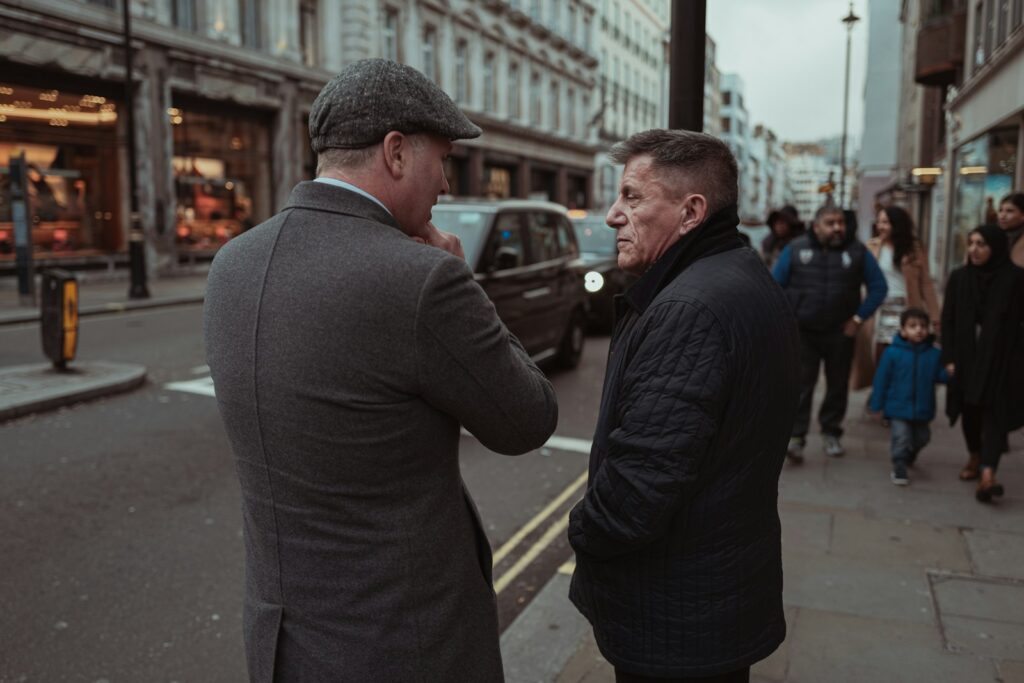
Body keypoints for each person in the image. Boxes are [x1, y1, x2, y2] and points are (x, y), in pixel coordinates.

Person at [204, 59, 558, 681]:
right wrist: (465, 284)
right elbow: (527, 420)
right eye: (442, 159)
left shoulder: (231, 262)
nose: (445, 184)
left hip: (281, 642)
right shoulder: (421, 278)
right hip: (403, 646)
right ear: (396, 153)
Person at [567, 129, 801, 683]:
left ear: (691, 211)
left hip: (677, 621)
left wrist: (581, 529)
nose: (612, 215)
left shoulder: (690, 309)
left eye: (632, 197)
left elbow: (635, 492)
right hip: (713, 600)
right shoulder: (738, 276)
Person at [773, 202, 888, 460]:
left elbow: (879, 287)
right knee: (801, 386)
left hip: (840, 332)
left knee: (837, 386)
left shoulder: (857, 252)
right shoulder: (796, 249)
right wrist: (787, 321)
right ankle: (796, 437)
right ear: (816, 226)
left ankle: (831, 433)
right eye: (831, 223)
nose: (838, 228)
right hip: (803, 333)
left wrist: (858, 319)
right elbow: (774, 286)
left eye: (841, 223)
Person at [941, 224, 1024, 502]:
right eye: (971, 243)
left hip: (1003, 361)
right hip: (966, 360)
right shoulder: (960, 278)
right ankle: (975, 455)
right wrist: (949, 357)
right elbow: (949, 320)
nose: (974, 249)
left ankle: (989, 474)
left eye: (981, 244)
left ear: (996, 247)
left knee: (995, 414)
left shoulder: (1015, 280)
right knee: (970, 413)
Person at [852, 206, 941, 392]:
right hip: (879, 311)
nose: (880, 226)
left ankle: (895, 398)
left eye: (885, 222)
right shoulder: (872, 246)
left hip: (907, 310)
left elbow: (926, 283)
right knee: (879, 355)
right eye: (879, 221)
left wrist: (934, 316)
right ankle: (881, 395)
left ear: (897, 224)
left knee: (904, 357)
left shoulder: (915, 248)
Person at [869, 308, 948, 486]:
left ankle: (909, 455)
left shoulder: (934, 354)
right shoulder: (892, 353)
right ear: (903, 330)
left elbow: (939, 376)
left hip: (923, 408)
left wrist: (949, 373)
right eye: (913, 326)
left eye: (922, 326)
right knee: (901, 437)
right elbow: (881, 380)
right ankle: (899, 464)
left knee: (923, 437)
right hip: (898, 406)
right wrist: (876, 405)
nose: (918, 330)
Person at [997, 192, 1024, 267]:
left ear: (1022, 215)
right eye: (1000, 210)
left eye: (1009, 211)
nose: (1002, 216)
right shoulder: (993, 236)